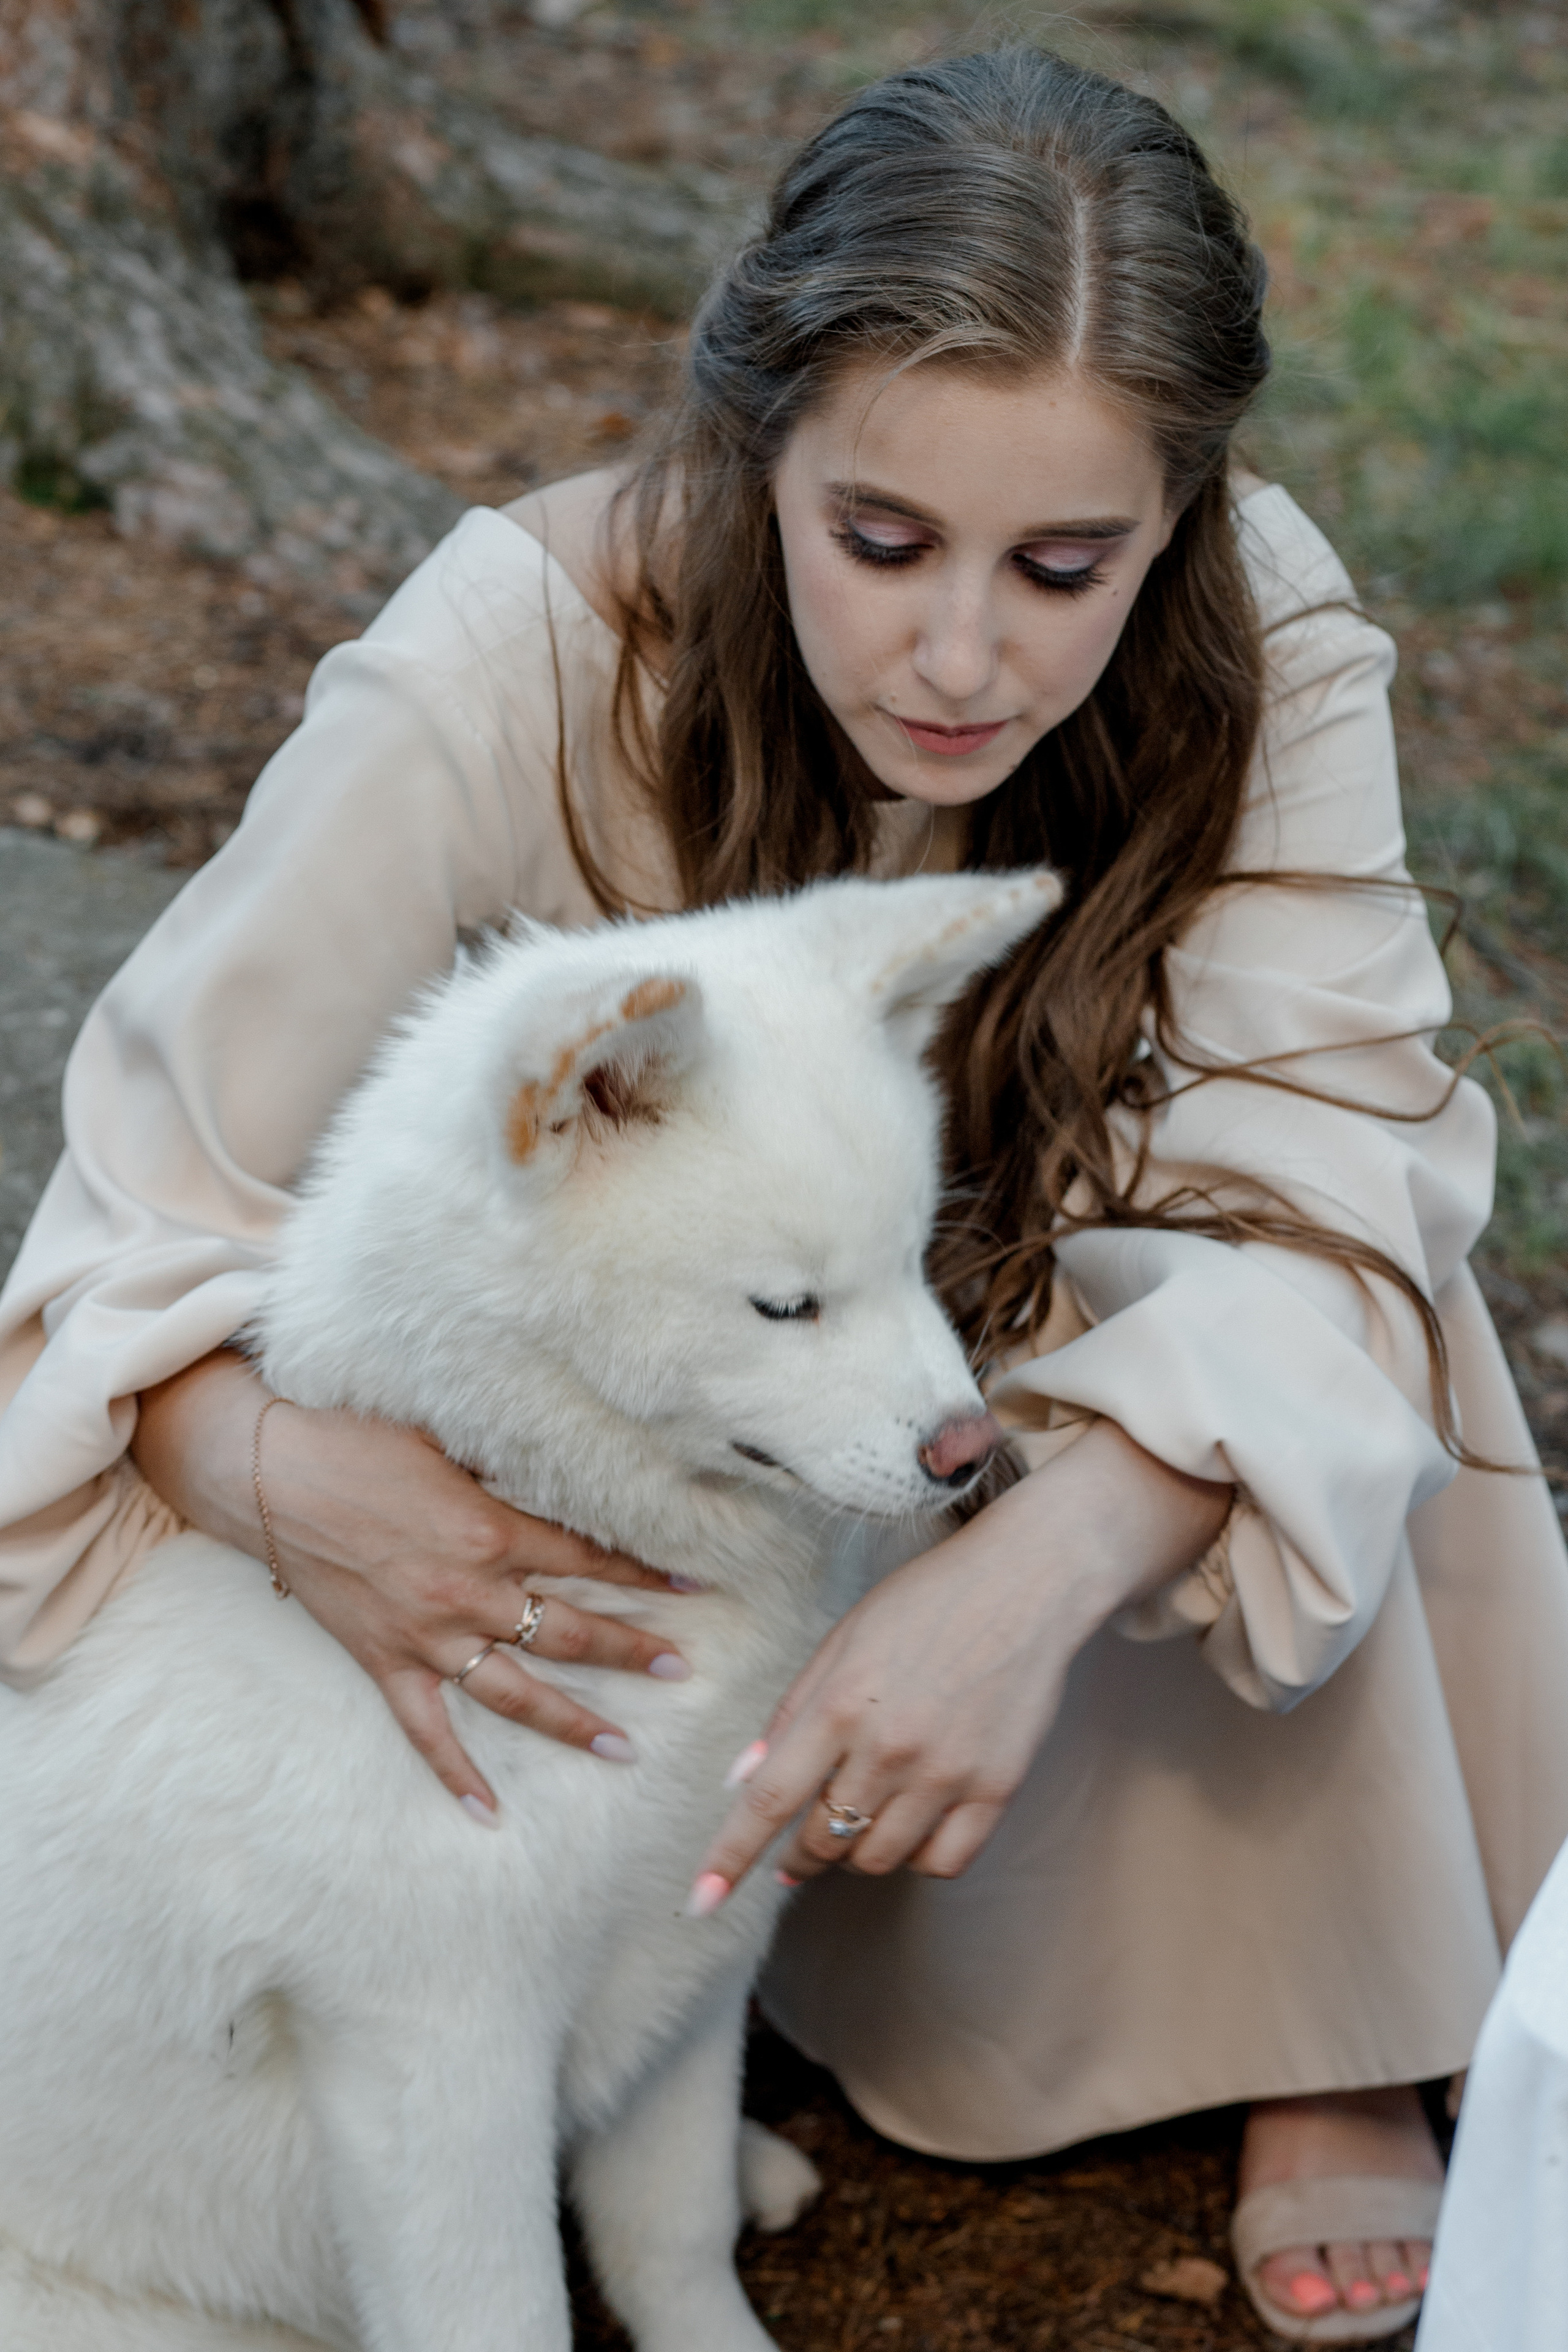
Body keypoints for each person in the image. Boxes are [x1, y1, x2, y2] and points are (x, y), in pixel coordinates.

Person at [1, 44, 1565, 2346]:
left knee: (1331, 1313)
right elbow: (135, 1211)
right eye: (882, 542)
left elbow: (1338, 1175)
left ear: (1183, 517)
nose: (963, 657)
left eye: (1066, 569)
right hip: (647, 1474)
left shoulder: (1260, 631)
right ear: (757, 452)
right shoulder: (501, 651)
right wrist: (272, 1467)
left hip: (997, 1380)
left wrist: (1021, 1570)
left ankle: (1324, 2021)